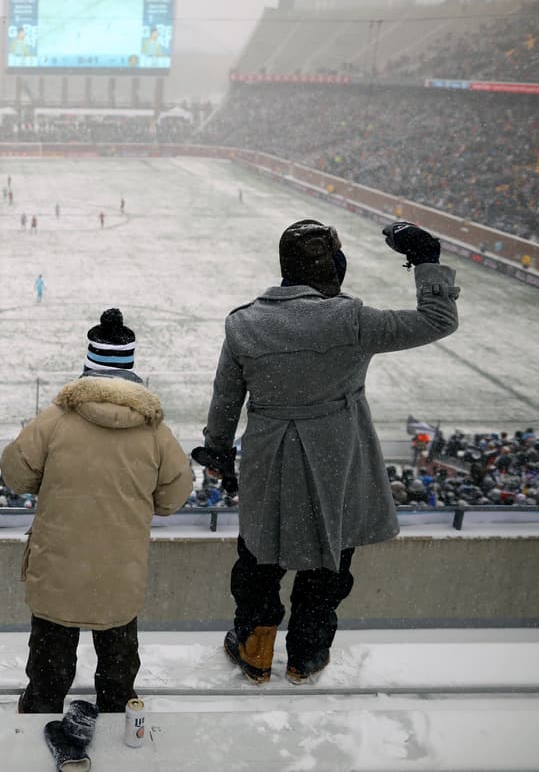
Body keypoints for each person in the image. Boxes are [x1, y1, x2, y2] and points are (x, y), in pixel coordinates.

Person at [194, 220, 459, 685]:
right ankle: (308, 654)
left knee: (259, 555)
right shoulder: (351, 319)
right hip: (338, 454)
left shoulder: (244, 324)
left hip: (267, 454)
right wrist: (426, 261)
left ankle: (256, 648)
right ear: (332, 266)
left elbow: (225, 398)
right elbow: (438, 320)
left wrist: (217, 450)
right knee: (329, 555)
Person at [1, 309, 192, 714]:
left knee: (50, 661)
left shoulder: (54, 420)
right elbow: (174, 497)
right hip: (120, 568)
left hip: (58, 567)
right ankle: (117, 711)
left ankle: (41, 711)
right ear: (131, 369)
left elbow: (15, 475)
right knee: (119, 661)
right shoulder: (155, 432)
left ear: (88, 366)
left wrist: (52, 483)